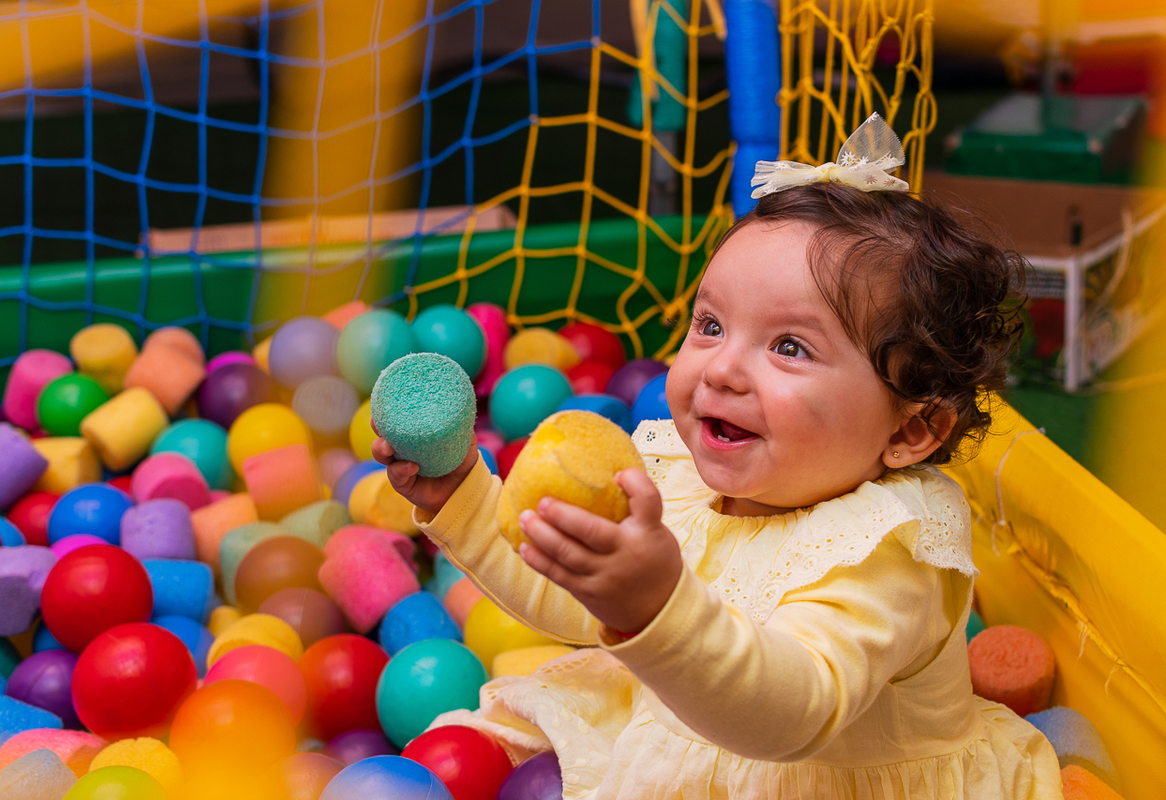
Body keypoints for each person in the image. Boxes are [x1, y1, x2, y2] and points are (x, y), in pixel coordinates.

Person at [373, 114, 1064, 799]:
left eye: (789, 346)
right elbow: (575, 594)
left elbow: (794, 712)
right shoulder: (685, 486)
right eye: (710, 325)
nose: (722, 369)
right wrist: (461, 493)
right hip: (690, 727)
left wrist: (655, 606)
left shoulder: (888, 546)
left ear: (911, 431)